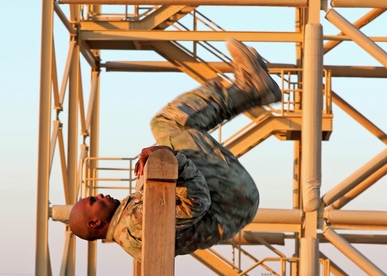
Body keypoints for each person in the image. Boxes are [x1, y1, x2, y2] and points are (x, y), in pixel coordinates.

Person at [68, 38, 280, 259]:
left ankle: (251, 90)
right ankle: (250, 89)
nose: (99, 194)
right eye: (93, 201)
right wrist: (171, 159)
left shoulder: (129, 226)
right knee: (166, 124)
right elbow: (196, 203)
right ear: (95, 222)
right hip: (229, 201)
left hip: (231, 203)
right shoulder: (135, 225)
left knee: (168, 129)